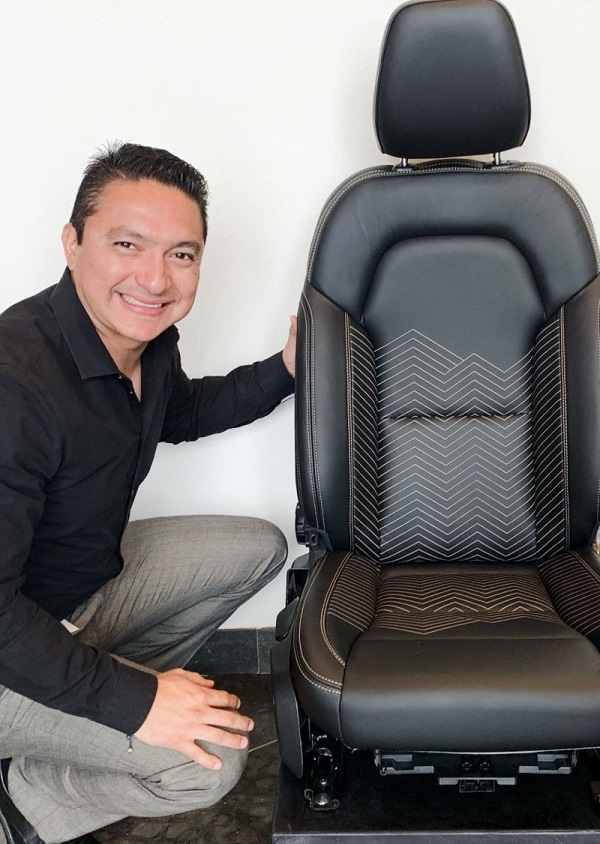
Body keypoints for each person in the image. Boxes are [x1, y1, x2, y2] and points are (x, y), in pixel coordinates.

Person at [0, 142, 296, 844]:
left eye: (181, 254)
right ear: (73, 244)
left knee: (255, 548)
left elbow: (180, 412)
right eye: (127, 244)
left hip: (68, 600)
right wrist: (135, 702)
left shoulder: (148, 341)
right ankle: (21, 800)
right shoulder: (16, 385)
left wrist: (287, 368)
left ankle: (84, 722)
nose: (155, 278)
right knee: (209, 761)